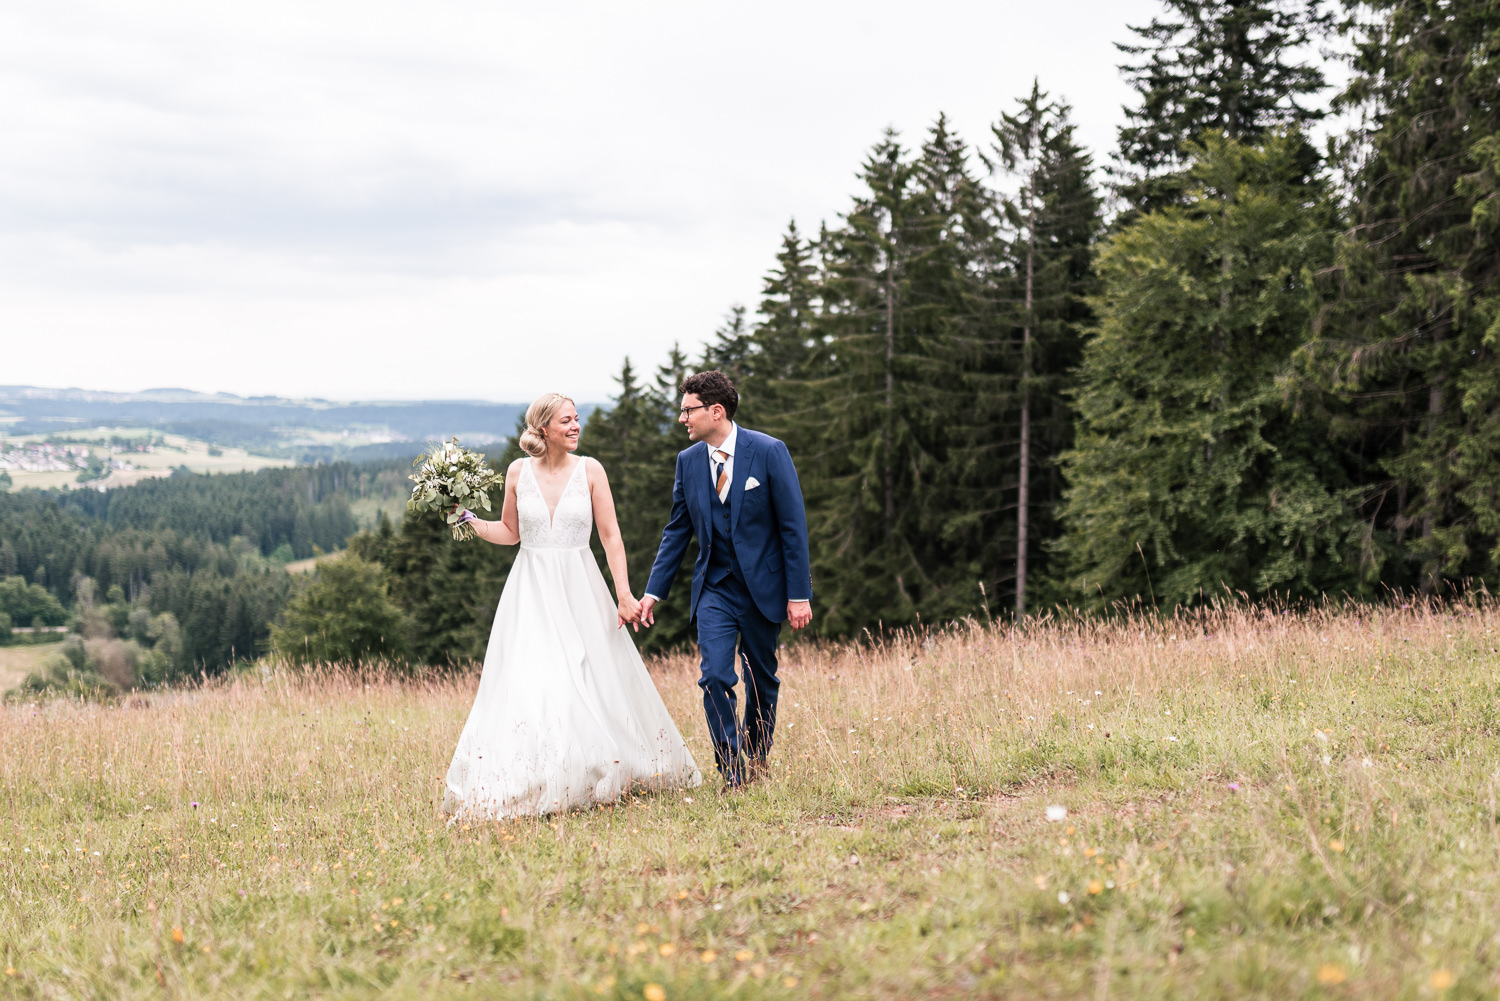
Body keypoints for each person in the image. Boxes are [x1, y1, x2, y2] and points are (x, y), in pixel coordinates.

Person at [442, 392, 701, 820]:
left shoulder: (591, 470)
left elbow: (611, 536)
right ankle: (539, 774)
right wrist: (469, 519)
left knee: (587, 675)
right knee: (536, 680)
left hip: (580, 587)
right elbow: (510, 532)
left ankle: (593, 768)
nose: (576, 426)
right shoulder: (517, 472)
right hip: (531, 591)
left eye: (577, 419)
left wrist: (623, 594)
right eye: (567, 420)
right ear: (544, 427)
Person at [638, 371, 812, 789]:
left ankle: (757, 755)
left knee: (760, 679)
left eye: (688, 410)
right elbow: (677, 531)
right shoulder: (688, 461)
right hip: (715, 589)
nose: (682, 418)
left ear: (716, 411)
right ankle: (732, 770)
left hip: (763, 590)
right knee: (715, 676)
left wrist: (799, 594)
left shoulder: (769, 452)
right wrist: (653, 591)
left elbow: (793, 527)